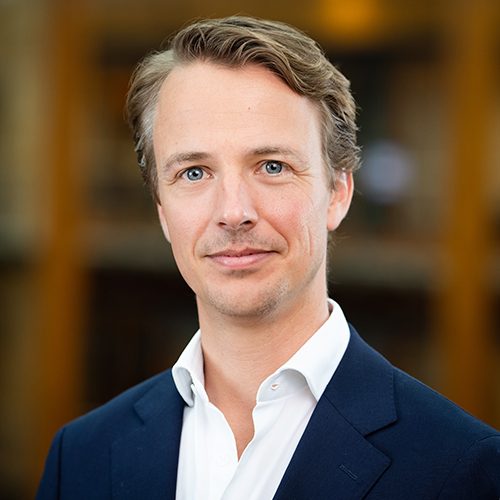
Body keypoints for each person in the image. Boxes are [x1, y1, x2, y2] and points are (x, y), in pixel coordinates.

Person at [37, 16, 499, 500]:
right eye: (194, 172)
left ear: (338, 192)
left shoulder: (466, 470)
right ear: (162, 210)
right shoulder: (81, 457)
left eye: (272, 166)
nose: (233, 212)